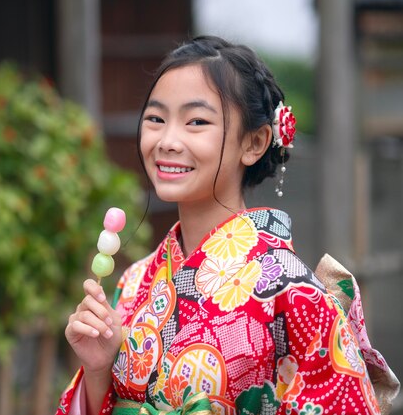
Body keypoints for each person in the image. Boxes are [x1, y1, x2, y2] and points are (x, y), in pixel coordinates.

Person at [55, 36, 399, 415]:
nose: (167, 140)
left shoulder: (298, 295)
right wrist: (98, 368)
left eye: (196, 121)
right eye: (156, 119)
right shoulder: (134, 281)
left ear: (254, 143)